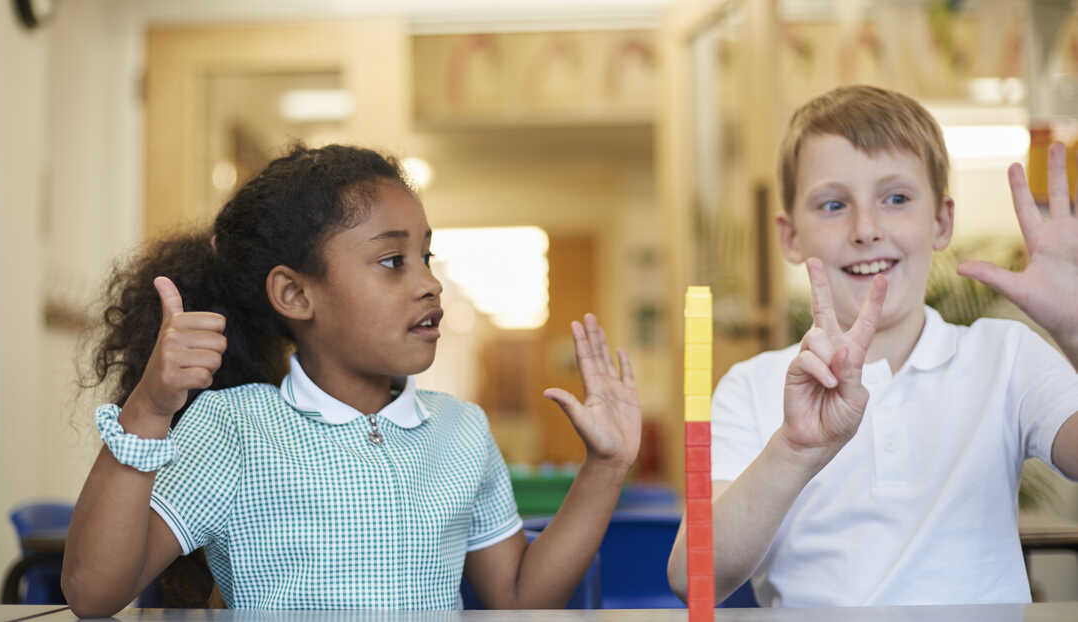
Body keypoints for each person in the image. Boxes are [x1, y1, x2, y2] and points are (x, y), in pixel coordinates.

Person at [62, 144, 642, 616]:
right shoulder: (234, 427)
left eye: (427, 257)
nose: (428, 284)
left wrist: (606, 466)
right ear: (295, 293)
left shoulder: (462, 430)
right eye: (393, 261)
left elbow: (520, 599)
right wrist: (150, 409)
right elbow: (93, 594)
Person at [666, 85, 1078, 607]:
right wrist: (793, 452)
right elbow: (693, 576)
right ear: (790, 236)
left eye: (897, 199)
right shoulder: (750, 387)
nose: (866, 229)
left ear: (942, 221)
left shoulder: (1006, 356)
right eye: (834, 204)